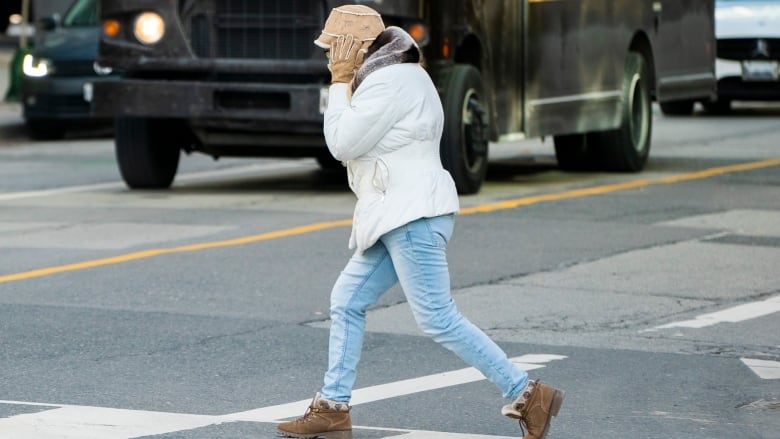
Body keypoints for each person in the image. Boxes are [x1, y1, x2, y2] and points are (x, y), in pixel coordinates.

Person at [276, 5, 564, 439]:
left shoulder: (389, 83)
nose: (329, 57)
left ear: (355, 47)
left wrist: (338, 83)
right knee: (347, 300)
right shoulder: (398, 76)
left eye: (334, 48)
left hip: (411, 216)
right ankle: (333, 407)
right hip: (399, 215)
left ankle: (528, 393)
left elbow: (340, 143)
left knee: (437, 317)